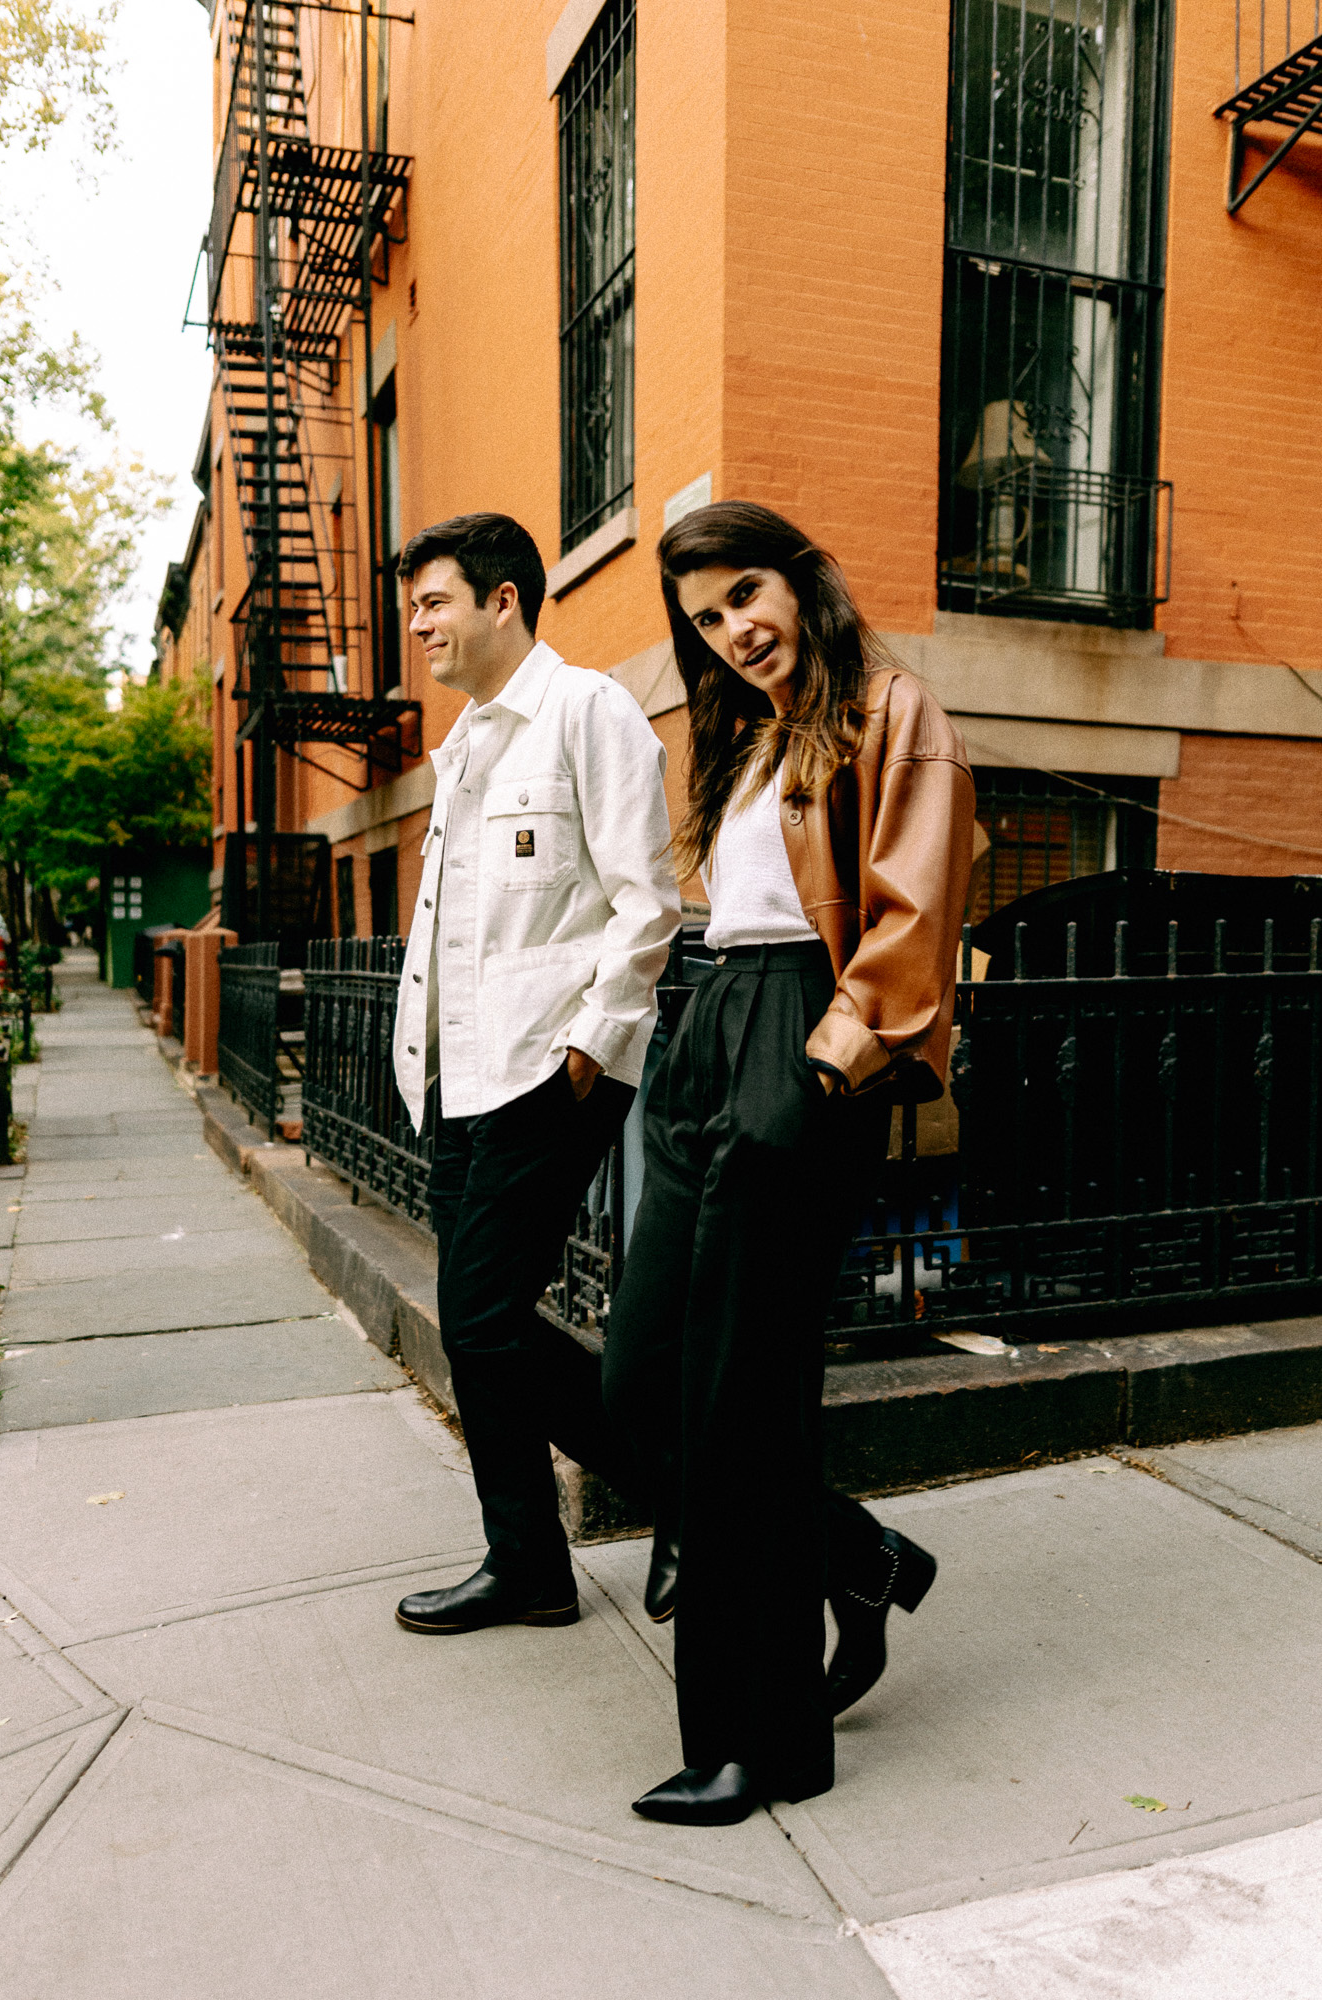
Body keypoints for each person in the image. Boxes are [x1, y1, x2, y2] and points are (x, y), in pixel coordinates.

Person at [603, 501, 976, 1826]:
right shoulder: (743, 736)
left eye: (746, 594)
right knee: (639, 1383)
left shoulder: (892, 710)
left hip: (803, 1040)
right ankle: (853, 1555)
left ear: (802, 578)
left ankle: (762, 1741)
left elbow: (916, 911)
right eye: (705, 618)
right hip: (714, 1028)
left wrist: (824, 1069)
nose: (733, 630)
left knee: (740, 1412)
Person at [390, 513, 681, 1636]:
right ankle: (528, 1563)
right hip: (461, 1078)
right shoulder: (465, 743)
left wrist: (592, 1041)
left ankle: (710, 1500)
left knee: (485, 1318)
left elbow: (645, 898)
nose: (418, 623)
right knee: (479, 1326)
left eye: (434, 602)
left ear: (503, 599)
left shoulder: (587, 710)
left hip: (546, 1070)